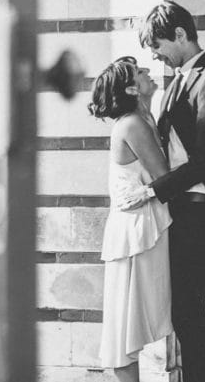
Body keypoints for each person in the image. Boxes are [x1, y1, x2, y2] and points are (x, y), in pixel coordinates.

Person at [121, 1, 205, 382]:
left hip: (201, 207)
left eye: (157, 44)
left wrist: (153, 191)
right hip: (182, 207)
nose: (154, 54)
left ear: (181, 35)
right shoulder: (178, 82)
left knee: (188, 309)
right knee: (182, 311)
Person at [89, 56, 173, 379]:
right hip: (133, 235)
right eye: (140, 72)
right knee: (123, 335)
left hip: (141, 228)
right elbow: (163, 175)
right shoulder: (132, 125)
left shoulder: (142, 117)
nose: (147, 71)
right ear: (131, 88)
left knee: (129, 329)